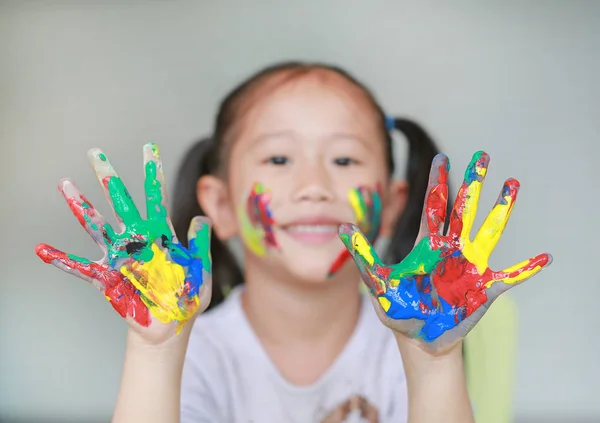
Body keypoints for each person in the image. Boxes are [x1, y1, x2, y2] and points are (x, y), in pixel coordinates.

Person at [35, 61, 551, 423]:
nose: (314, 186)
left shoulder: (410, 343)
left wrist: (434, 362)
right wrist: (156, 350)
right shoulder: (197, 352)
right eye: (279, 160)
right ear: (219, 205)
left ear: (393, 204)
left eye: (344, 160)